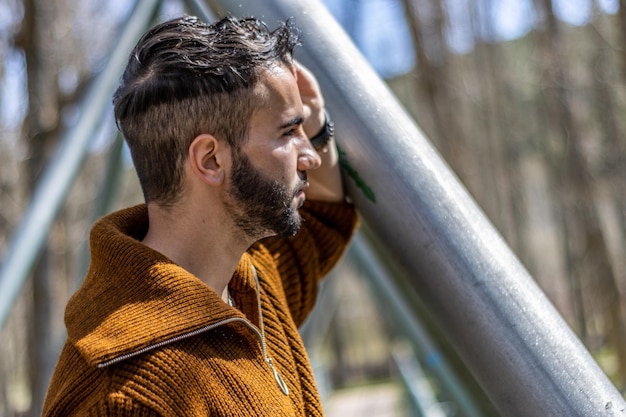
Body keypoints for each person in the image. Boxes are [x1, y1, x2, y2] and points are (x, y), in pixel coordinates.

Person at [42, 15, 358, 417]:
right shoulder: (120, 398)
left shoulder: (250, 283)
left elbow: (325, 216)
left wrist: (311, 118)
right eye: (287, 133)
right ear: (210, 159)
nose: (310, 154)